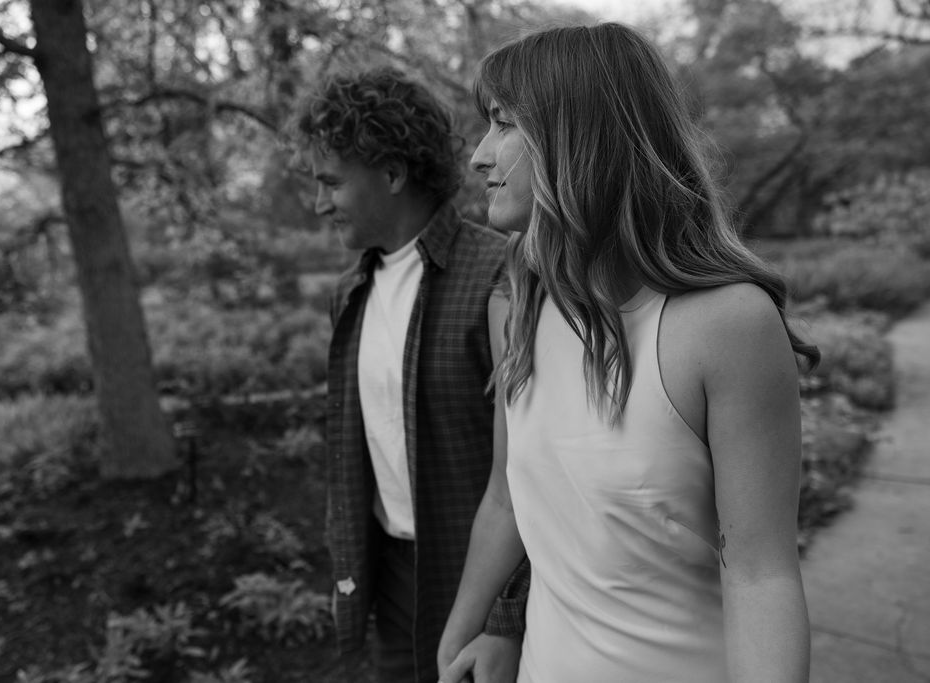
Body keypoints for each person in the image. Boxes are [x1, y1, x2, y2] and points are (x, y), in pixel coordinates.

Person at [438, 23, 819, 683]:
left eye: (502, 124)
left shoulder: (725, 325)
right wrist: (462, 633)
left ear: (578, 137)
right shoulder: (519, 304)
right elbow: (505, 497)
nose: (477, 155)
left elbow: (762, 573)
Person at [291, 67, 528, 683]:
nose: (320, 205)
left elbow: (538, 470)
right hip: (393, 580)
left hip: (483, 581)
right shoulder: (350, 293)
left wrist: (507, 617)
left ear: (393, 174)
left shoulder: (502, 277)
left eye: (331, 183)